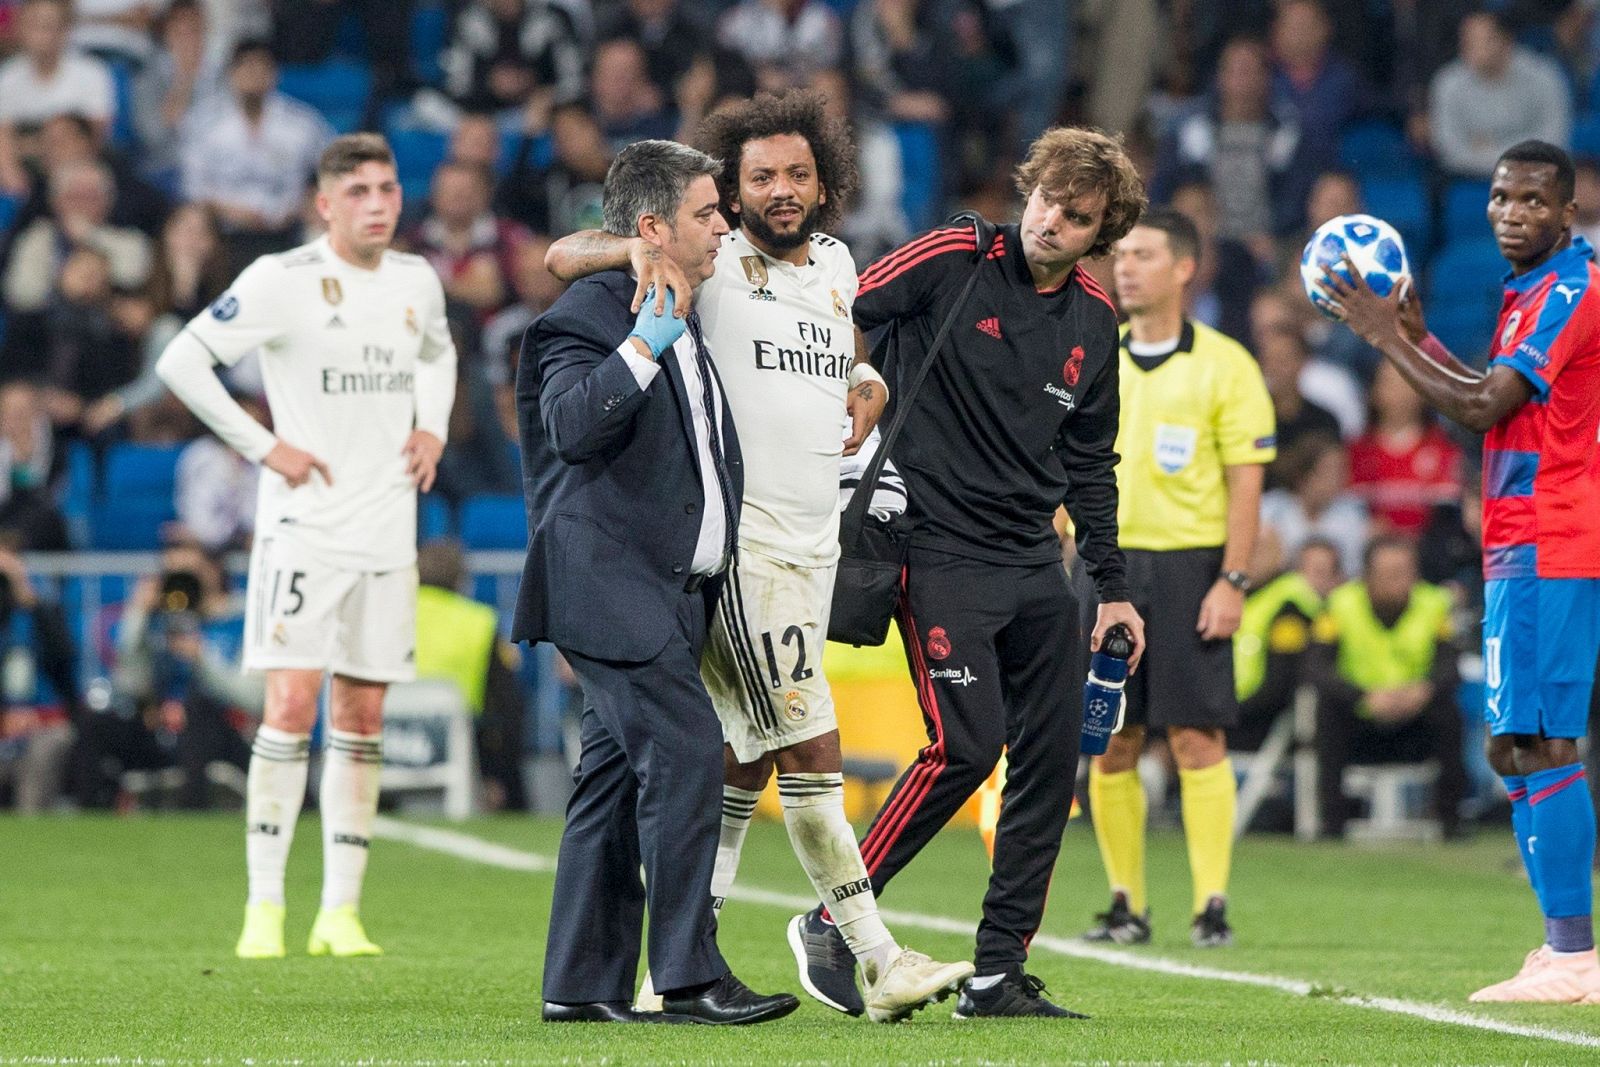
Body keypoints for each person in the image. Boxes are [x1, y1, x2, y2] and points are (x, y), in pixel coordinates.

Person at [543, 88, 971, 1022]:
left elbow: (842, 340)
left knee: (742, 759)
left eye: (798, 174)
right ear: (731, 192)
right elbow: (564, 257)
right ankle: (873, 955)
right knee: (812, 743)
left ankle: (672, 969)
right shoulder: (713, 258)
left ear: (826, 183)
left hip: (819, 544)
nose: (783, 191)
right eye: (762, 177)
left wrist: (864, 375)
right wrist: (640, 247)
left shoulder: (836, 263)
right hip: (747, 547)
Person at [807, 127, 1147, 1018]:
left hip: (1038, 559)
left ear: (1099, 233)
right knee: (965, 746)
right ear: (1026, 189)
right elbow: (846, 302)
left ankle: (999, 971)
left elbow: (1091, 461)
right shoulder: (960, 251)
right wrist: (855, 372)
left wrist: (1111, 586)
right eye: (1046, 200)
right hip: (937, 545)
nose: (1052, 222)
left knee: (1048, 762)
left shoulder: (1095, 321)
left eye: (1077, 218)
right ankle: (832, 919)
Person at [154, 133, 458, 960]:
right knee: (290, 706)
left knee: (362, 715)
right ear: (325, 204)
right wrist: (263, 447)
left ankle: (341, 913)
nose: (378, 204)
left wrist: (430, 424)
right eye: (358, 191)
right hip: (305, 532)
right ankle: (263, 907)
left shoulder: (416, 279)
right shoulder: (281, 282)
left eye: (388, 188)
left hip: (387, 531)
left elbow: (439, 350)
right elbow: (182, 361)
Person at [513, 138, 795, 1026]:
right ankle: (688, 975)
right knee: (682, 751)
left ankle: (580, 986)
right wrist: (643, 344)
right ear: (652, 227)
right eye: (709, 213)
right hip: (610, 583)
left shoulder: (686, 303)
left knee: (606, 783)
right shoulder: (593, 313)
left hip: (668, 590)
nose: (726, 225)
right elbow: (568, 425)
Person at [1325, 139, 1600, 1002]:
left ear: (1567, 210)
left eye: (1531, 201)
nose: (1511, 213)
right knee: (1511, 743)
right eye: (1499, 198)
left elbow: (1485, 407)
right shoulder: (1528, 289)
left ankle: (1575, 954)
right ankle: (1560, 945)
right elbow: (1484, 387)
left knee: (1547, 739)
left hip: (1555, 533)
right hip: (1520, 535)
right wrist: (1418, 338)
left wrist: (1380, 338)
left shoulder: (1569, 287)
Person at [1083, 208, 1274, 948]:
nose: (1125, 266)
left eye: (1143, 254)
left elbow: (1247, 483)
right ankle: (1126, 901)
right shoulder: (1097, 353)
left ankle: (1211, 904)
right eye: (1120, 254)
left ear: (1185, 267)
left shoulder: (1227, 363)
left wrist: (1233, 578)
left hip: (1194, 565)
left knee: (1198, 737)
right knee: (1114, 739)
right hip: (1110, 567)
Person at [1306, 536, 1465, 840]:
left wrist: (1424, 691)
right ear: (1367, 575)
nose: (1398, 582)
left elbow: (1451, 665)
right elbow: (1316, 667)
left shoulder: (1434, 603)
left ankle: (1451, 818)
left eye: (1404, 573)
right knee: (1327, 711)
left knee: (1451, 714)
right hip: (1361, 717)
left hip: (1416, 717)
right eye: (1388, 574)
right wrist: (1362, 696)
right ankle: (1332, 821)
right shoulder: (1339, 604)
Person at [414, 540, 526, 811]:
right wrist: (496, 774)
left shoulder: (390, 616)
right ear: (461, 579)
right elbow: (506, 705)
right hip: (459, 738)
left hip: (390, 734)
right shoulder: (479, 621)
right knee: (501, 715)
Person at [1232, 536, 1341, 750]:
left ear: (1280, 558)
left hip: (1257, 719)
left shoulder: (1290, 606)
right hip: (1234, 706)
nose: (1249, 557)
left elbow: (1279, 683)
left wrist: (1227, 712)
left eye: (1259, 550)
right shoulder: (1243, 596)